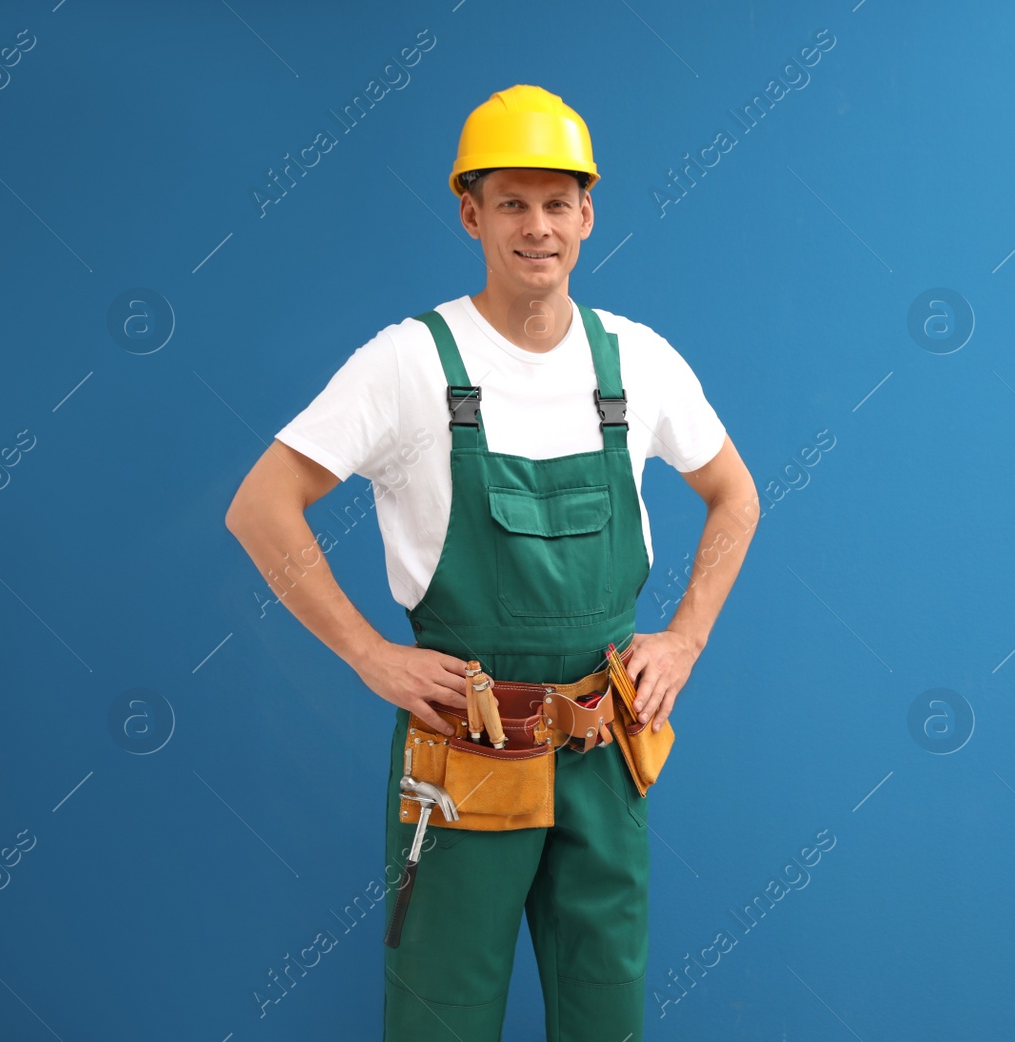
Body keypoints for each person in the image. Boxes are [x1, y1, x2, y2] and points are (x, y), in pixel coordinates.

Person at [224, 83, 758, 1041]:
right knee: (443, 1019)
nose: (537, 227)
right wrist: (368, 655)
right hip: (465, 754)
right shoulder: (410, 362)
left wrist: (685, 638)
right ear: (470, 213)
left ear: (588, 215)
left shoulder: (634, 362)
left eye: (558, 203)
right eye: (511, 202)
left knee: (606, 1017)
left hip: (605, 750)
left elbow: (737, 496)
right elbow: (260, 506)